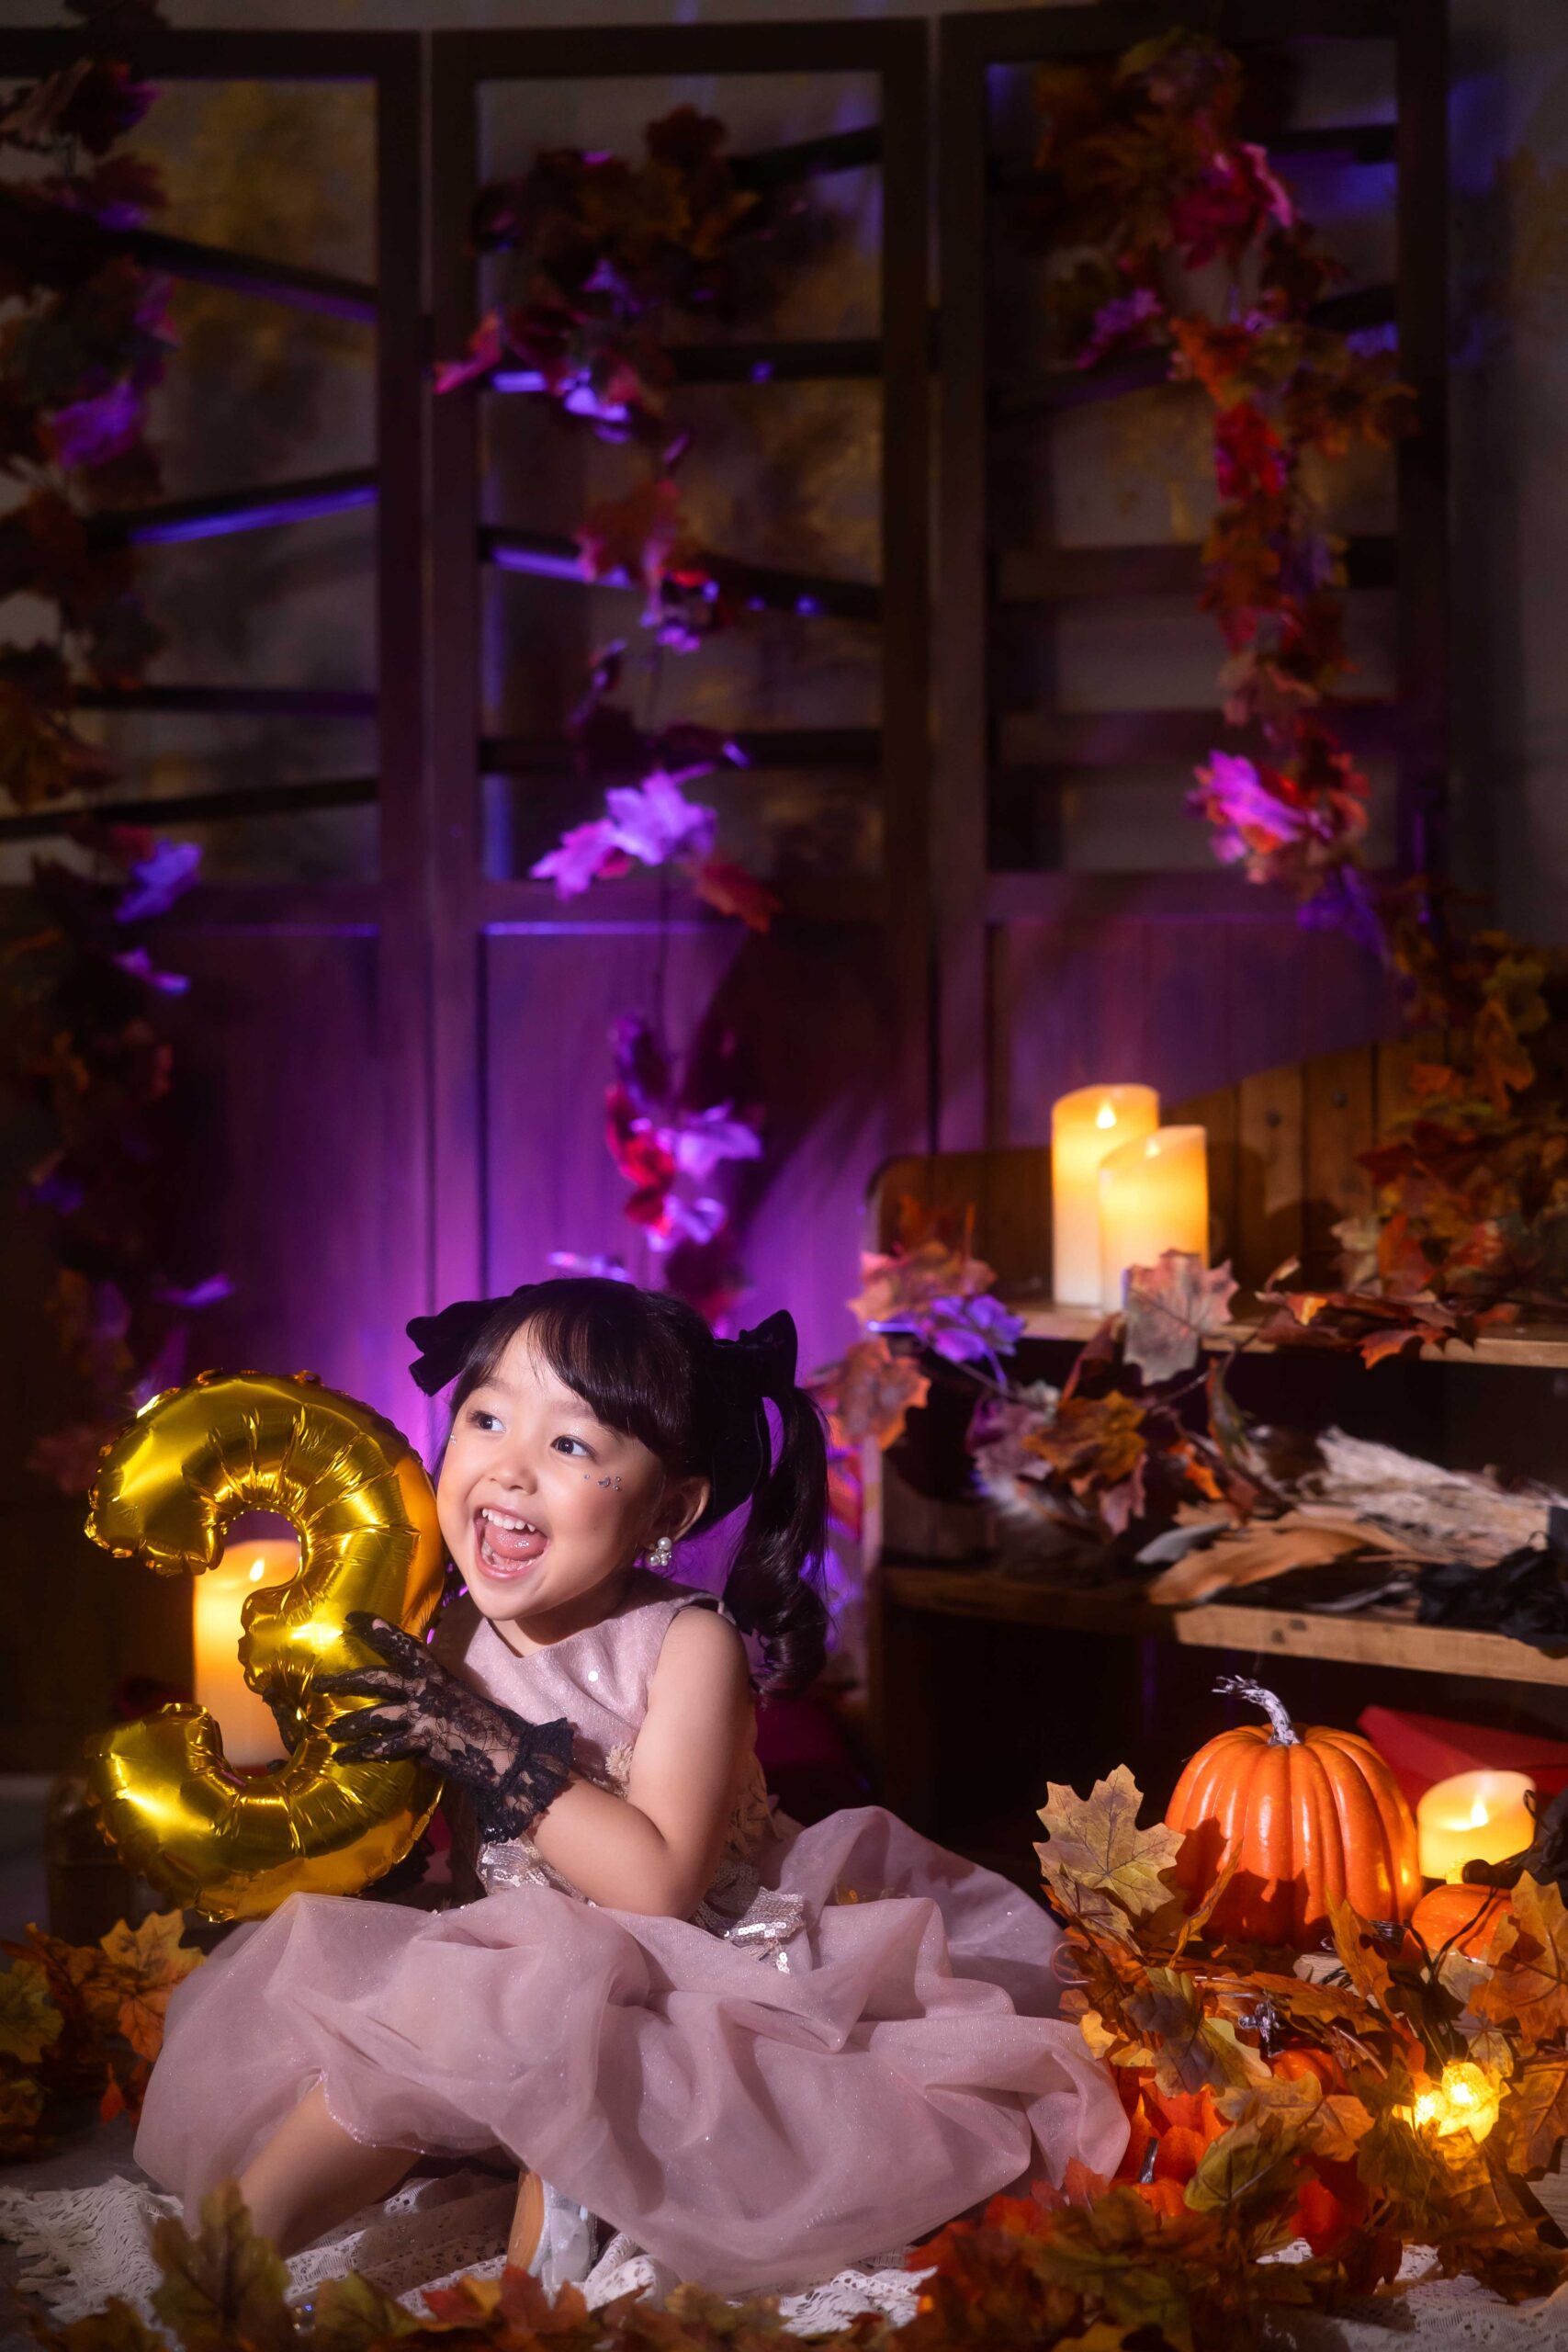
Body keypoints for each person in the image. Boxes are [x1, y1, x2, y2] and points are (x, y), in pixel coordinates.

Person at [132, 1277, 1128, 2294]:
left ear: (669, 1506)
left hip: (697, 1975)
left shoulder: (684, 1643)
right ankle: (225, 2259)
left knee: (538, 2023)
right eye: (486, 1418)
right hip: (513, 1971)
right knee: (402, 2023)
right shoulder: (454, 1624)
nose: (510, 1467)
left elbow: (655, 1887)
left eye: (572, 1444)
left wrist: (480, 1740)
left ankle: (533, 2286)